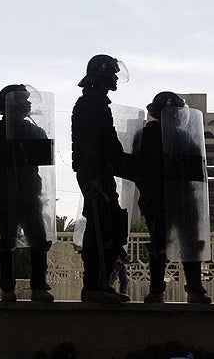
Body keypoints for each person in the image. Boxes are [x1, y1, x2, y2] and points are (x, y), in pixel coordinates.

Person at [134, 91, 212, 304]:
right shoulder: (153, 135)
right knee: (166, 244)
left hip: (180, 199)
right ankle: (174, 289)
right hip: (162, 199)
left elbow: (197, 172)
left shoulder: (178, 136)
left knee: (185, 243)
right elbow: (139, 170)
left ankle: (185, 289)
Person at [0, 84, 54, 302]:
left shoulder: (33, 129)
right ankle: (7, 288)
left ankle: (38, 286)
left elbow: (44, 157)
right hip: (6, 192)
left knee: (39, 240)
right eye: (23, 100)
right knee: (6, 241)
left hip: (30, 191)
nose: (28, 103)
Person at [71, 54, 131, 304]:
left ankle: (101, 283)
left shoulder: (98, 103)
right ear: (102, 75)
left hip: (101, 171)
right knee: (98, 227)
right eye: (112, 73)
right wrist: (94, 180)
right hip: (94, 173)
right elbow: (89, 143)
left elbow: (109, 146)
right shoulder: (89, 104)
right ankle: (93, 285)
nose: (116, 78)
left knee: (109, 225)